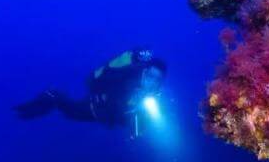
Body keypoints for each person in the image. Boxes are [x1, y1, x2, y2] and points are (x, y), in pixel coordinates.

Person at [15, 49, 167, 136]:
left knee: (65, 111)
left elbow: (138, 128)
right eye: (150, 76)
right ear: (143, 73)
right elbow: (105, 73)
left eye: (156, 79)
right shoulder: (126, 81)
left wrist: (143, 114)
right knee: (65, 107)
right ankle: (47, 98)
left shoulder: (152, 99)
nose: (151, 82)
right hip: (91, 107)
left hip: (100, 119)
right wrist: (134, 56)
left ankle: (48, 103)